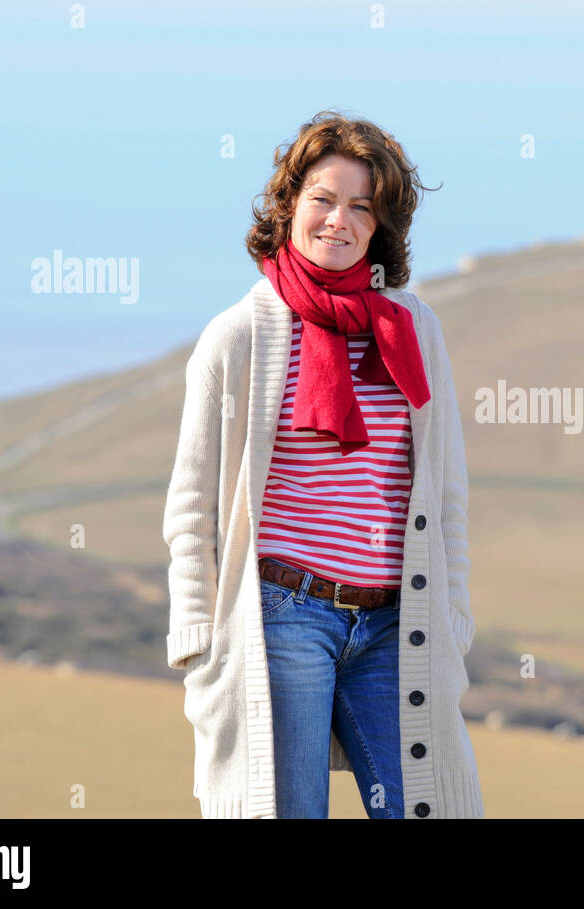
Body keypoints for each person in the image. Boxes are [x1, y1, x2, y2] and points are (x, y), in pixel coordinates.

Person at [163, 110, 484, 818]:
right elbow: (191, 507)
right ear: (289, 206)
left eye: (361, 207)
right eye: (323, 199)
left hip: (396, 626)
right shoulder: (238, 336)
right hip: (282, 616)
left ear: (381, 227)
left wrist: (452, 616)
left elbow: (446, 490)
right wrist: (199, 642)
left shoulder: (413, 329)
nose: (339, 219)